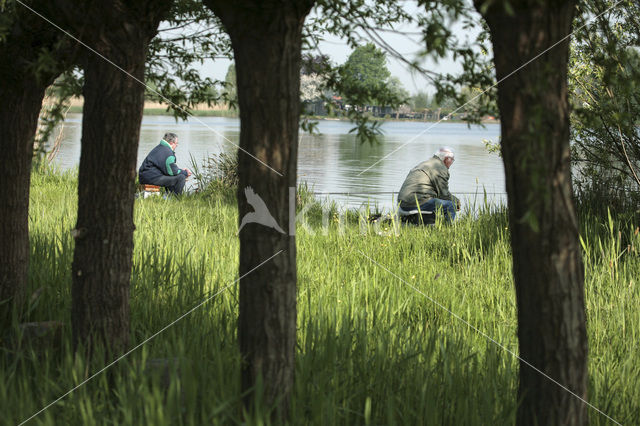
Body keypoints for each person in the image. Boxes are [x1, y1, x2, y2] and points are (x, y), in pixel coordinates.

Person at [397, 146, 460, 222]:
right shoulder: (441, 168)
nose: (452, 163)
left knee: (437, 201)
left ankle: (429, 222)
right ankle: (447, 229)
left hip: (402, 203)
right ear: (447, 159)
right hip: (416, 203)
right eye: (452, 160)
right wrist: (456, 201)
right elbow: (444, 194)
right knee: (450, 205)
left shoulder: (425, 163)